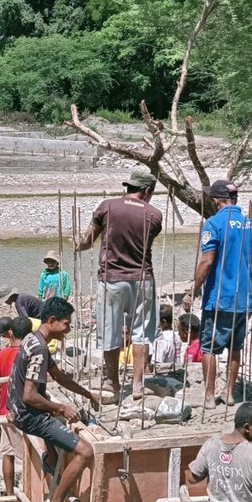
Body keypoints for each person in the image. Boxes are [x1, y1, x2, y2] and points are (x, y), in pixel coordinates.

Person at [6, 297, 101, 502]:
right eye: (66, 324)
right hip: (28, 416)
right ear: (51, 320)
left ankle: (50, 460)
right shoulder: (39, 349)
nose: (67, 329)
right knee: (85, 451)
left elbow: (58, 375)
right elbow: (29, 395)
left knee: (54, 422)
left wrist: (86, 393)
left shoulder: (33, 339)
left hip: (18, 409)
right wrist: (61, 408)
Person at [75, 169, 164, 402]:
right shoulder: (155, 215)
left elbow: (86, 242)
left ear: (130, 187)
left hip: (112, 279)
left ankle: (113, 383)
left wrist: (79, 244)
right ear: (147, 191)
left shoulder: (107, 206)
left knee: (110, 332)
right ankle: (137, 384)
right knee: (141, 333)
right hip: (142, 279)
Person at [189, 180, 252, 409]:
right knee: (235, 346)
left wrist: (194, 287)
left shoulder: (213, 224)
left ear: (217, 201)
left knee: (209, 347)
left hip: (221, 297)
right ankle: (228, 392)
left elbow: (207, 261)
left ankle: (209, 396)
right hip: (246, 296)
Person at [0, 316, 33, 497]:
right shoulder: (27, 354)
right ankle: (28, 496)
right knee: (27, 456)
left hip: (4, 408)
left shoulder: (2, 353)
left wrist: (1, 403)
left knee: (7, 454)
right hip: (21, 411)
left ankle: (10, 496)